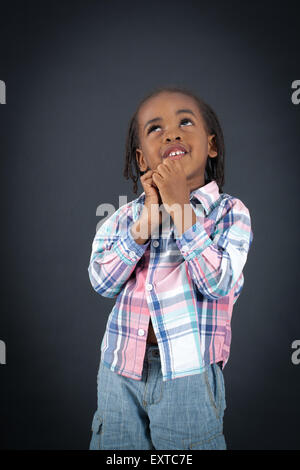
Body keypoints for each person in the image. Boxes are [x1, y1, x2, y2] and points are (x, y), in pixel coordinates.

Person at [87, 86, 254, 450]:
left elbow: (219, 282)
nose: (172, 133)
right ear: (142, 159)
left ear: (211, 145)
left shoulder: (229, 213)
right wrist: (144, 226)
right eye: (155, 129)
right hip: (119, 369)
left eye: (185, 122)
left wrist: (180, 208)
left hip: (188, 375)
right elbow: (101, 280)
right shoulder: (127, 216)